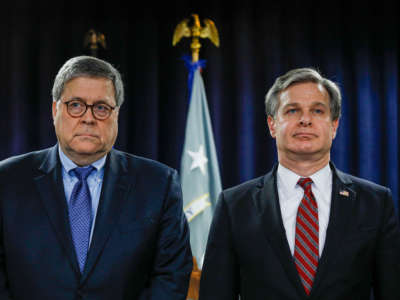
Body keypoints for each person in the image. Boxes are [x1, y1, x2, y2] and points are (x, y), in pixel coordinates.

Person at [0, 56, 192, 300]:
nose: (88, 118)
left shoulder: (159, 184)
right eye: (76, 105)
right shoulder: (7, 181)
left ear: (116, 114)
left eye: (101, 107)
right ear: (55, 109)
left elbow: (171, 277)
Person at [199, 68, 400, 300]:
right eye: (293, 110)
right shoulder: (234, 205)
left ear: (334, 126)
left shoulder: (376, 202)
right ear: (272, 125)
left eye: (317, 110)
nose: (305, 120)